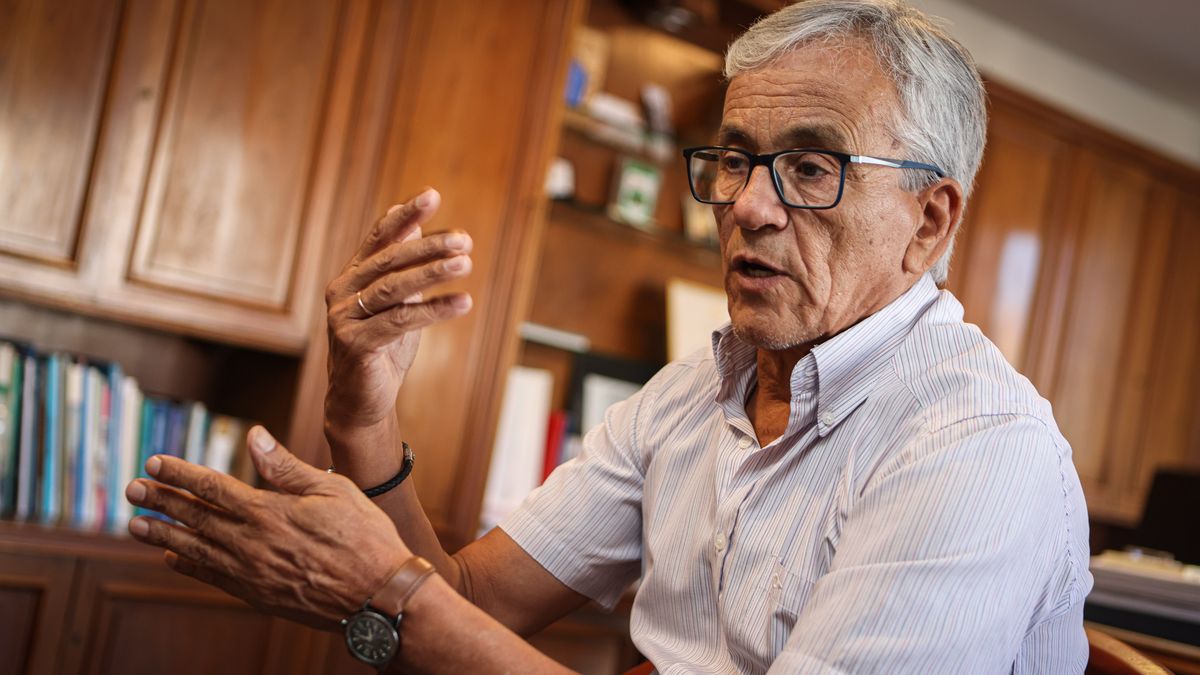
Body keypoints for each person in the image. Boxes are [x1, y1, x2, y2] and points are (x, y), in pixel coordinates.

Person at [124, 0, 1092, 672]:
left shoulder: (974, 448)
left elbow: (420, 607)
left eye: (811, 167)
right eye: (736, 161)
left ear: (928, 221)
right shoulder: (694, 391)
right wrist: (363, 417)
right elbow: (470, 601)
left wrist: (385, 594)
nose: (748, 207)